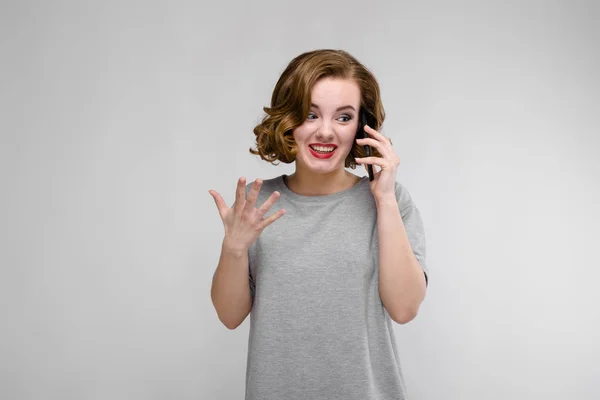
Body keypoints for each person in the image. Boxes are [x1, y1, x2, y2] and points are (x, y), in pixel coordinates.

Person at [209, 49, 428, 400]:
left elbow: (404, 308)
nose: (325, 132)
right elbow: (229, 315)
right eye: (310, 115)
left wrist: (384, 199)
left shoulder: (389, 200)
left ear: (362, 126)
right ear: (288, 119)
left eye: (343, 117)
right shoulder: (255, 202)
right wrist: (233, 248)